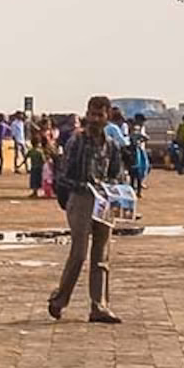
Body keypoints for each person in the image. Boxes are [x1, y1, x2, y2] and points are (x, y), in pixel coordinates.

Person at [48, 97, 120, 324]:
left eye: (100, 115)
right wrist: (86, 187)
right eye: (92, 114)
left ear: (108, 116)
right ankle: (60, 299)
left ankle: (99, 306)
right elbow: (64, 175)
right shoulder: (77, 142)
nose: (95, 119)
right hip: (81, 199)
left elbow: (117, 173)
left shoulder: (111, 145)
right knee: (79, 253)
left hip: (104, 201)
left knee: (101, 255)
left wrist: (111, 189)